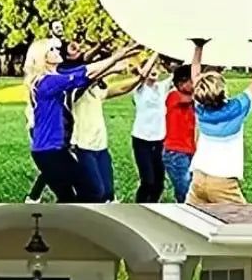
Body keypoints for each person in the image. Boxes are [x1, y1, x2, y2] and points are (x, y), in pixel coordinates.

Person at [25, 42, 127, 202]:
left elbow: (81, 70)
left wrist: (114, 64)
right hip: (50, 152)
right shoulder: (47, 82)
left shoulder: (53, 78)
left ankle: (65, 222)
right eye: (51, 49)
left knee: (75, 196)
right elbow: (86, 73)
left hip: (54, 150)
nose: (57, 50)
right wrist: (117, 57)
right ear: (43, 58)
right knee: (91, 193)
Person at [185, 34, 252, 205]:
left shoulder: (200, 109)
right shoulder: (237, 109)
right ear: (223, 90)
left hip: (198, 179)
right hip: (223, 184)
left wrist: (198, 48)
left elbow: (195, 77)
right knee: (241, 225)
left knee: (193, 220)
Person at [71, 42, 142, 203]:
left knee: (108, 192)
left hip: (101, 148)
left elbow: (121, 89)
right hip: (82, 148)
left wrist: (140, 78)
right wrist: (114, 66)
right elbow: (89, 77)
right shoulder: (75, 90)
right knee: (95, 192)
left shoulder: (98, 89)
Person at [130, 52, 172, 202]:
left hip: (159, 141)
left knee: (159, 184)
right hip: (142, 140)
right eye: (150, 67)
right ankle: (138, 207)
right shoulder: (139, 89)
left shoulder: (162, 87)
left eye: (156, 67)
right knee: (147, 181)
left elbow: (178, 74)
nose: (154, 70)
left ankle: (152, 207)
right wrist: (157, 51)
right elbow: (142, 75)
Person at [162, 64, 197, 202]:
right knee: (185, 188)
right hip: (175, 152)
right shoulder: (173, 96)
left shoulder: (194, 101)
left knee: (192, 187)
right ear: (181, 83)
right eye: (192, 80)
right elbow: (188, 100)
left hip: (191, 150)